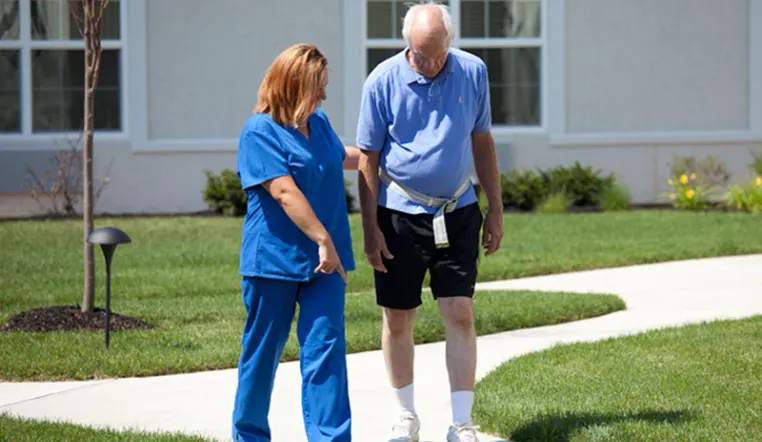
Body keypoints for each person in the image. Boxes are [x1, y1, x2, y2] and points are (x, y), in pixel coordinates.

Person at [355, 2, 504, 442]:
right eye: (421, 56)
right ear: (407, 45)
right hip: (399, 213)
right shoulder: (381, 81)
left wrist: (494, 206)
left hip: (457, 210)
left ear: (450, 43)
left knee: (459, 311)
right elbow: (368, 158)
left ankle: (461, 422)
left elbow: (482, 141)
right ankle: (406, 416)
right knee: (398, 317)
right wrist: (370, 228)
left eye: (438, 55)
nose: (431, 64)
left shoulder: (472, 72)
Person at [232, 43, 360, 442]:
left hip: (325, 263)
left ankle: (330, 438)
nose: (324, 94)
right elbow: (284, 191)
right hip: (274, 262)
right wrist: (323, 237)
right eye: (318, 86)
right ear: (294, 85)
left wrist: (390, 153)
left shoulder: (317, 124)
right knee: (262, 357)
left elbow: (342, 158)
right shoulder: (259, 132)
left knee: (327, 355)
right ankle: (250, 436)